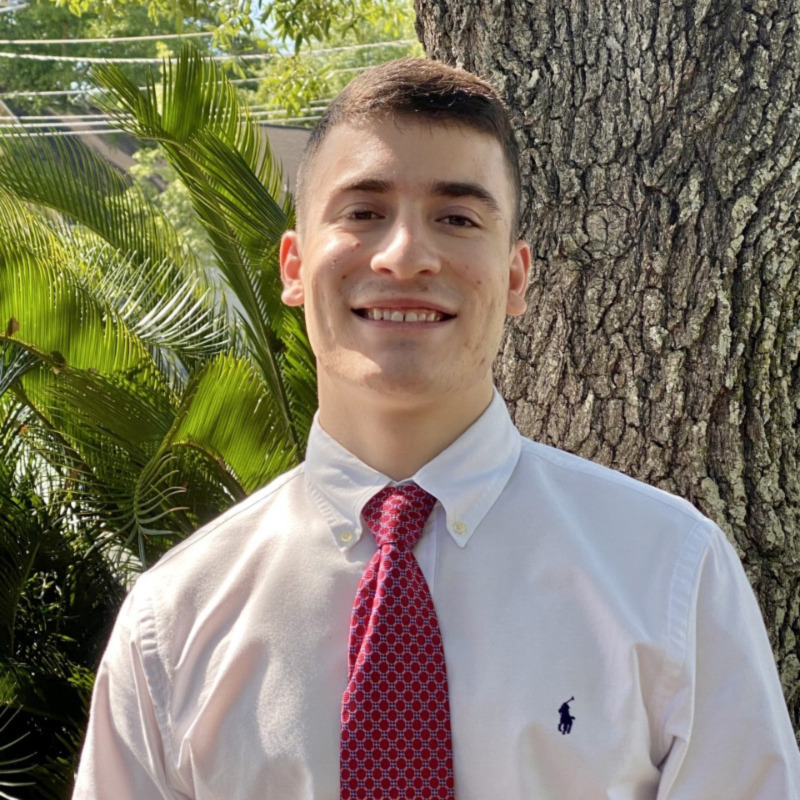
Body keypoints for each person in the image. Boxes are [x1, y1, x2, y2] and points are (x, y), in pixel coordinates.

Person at [73, 57, 800, 799]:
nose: (405, 256)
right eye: (362, 212)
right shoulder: (173, 624)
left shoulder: (671, 577)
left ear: (515, 277)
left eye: (456, 218)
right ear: (293, 266)